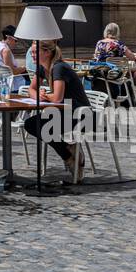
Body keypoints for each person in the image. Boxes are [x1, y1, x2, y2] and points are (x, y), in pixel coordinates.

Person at [25, 41, 90, 182]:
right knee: (31, 124)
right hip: (64, 112)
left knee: (39, 125)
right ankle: (69, 152)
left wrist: (44, 95)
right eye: (32, 52)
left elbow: (57, 98)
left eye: (35, 52)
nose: (32, 54)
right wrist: (38, 95)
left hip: (81, 115)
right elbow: (31, 89)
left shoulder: (59, 68)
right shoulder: (42, 68)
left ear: (47, 53)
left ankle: (69, 155)